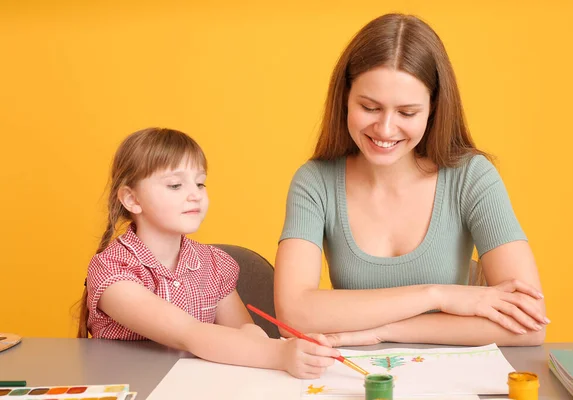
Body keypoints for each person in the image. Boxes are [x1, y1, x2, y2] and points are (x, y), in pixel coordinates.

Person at [274, 14, 548, 346]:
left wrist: (384, 331)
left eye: (407, 113)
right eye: (370, 107)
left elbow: (530, 323)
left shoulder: (471, 177)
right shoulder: (314, 182)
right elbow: (292, 316)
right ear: (345, 97)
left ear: (433, 109)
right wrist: (437, 295)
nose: (386, 129)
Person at [77, 127, 339, 378]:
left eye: (200, 184)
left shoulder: (214, 264)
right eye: (175, 186)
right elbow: (188, 332)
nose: (195, 195)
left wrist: (271, 342)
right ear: (132, 199)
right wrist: (280, 353)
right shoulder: (112, 269)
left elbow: (244, 333)